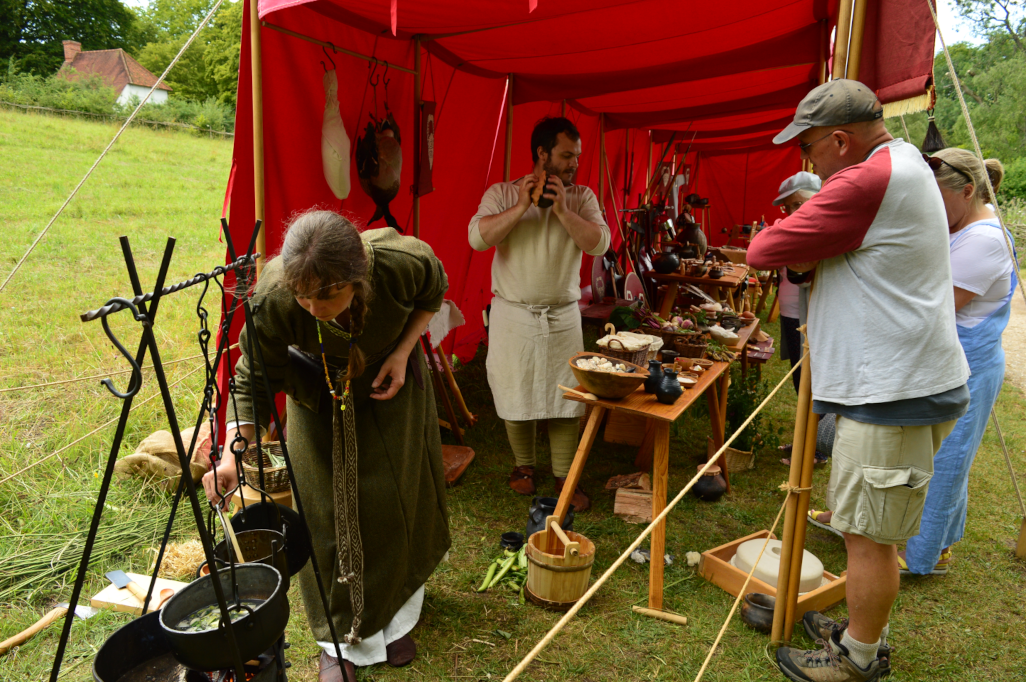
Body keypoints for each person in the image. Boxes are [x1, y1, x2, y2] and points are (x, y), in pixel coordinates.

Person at [748, 79, 970, 682]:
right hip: (901, 382)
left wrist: (803, 228)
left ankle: (857, 657)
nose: (807, 161)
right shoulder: (901, 162)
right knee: (866, 527)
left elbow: (764, 250)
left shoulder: (865, 180)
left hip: (895, 389)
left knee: (868, 538)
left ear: (840, 141)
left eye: (809, 148)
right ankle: (860, 631)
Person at [202, 211, 450, 682]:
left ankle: (396, 617)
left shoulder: (399, 263)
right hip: (316, 396)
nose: (313, 307)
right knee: (325, 513)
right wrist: (234, 453)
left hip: (390, 385)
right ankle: (335, 641)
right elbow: (253, 377)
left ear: (356, 278)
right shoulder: (276, 296)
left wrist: (401, 353)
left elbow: (432, 291)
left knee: (396, 500)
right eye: (304, 296)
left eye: (327, 295)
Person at [468, 117, 610, 510]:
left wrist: (563, 210)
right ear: (542, 154)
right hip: (513, 312)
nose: (573, 165)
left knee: (567, 396)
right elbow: (477, 237)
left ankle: (566, 475)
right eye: (566, 156)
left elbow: (600, 244)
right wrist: (519, 207)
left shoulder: (581, 197)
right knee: (515, 389)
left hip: (562, 313)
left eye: (577, 157)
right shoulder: (502, 193)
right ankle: (524, 467)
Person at [899, 150, 1015, 576]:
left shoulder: (986, 239)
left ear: (967, 191)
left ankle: (922, 556)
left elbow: (936, 307)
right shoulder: (962, 227)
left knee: (947, 461)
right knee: (945, 457)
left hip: (969, 367)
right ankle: (939, 543)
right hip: (952, 362)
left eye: (936, 196)